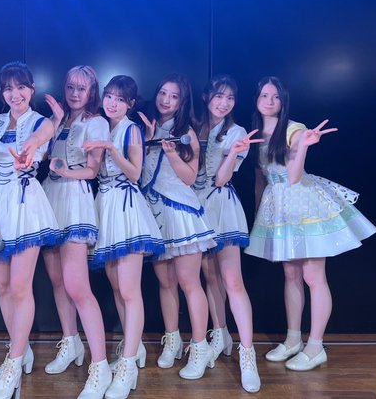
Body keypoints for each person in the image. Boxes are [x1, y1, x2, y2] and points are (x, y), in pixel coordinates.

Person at [245, 76, 376, 371]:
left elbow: (293, 177)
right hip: (277, 207)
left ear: (283, 101)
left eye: (275, 96)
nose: (269, 101)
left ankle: (315, 346)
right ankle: (293, 339)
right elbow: (260, 178)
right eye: (264, 95)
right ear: (256, 99)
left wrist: (304, 145)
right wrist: (259, 213)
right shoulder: (255, 133)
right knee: (290, 274)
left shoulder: (295, 129)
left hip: (304, 203)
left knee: (313, 277)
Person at [0, 61, 59, 399]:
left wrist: (29, 149)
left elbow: (41, 137)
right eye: (8, 88)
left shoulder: (41, 122)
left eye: (21, 87)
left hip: (25, 204)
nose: (14, 94)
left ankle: (13, 365)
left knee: (20, 287)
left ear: (31, 89)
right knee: (2, 286)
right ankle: (20, 350)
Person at [84, 75, 164, 399]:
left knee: (130, 290)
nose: (112, 103)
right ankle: (134, 347)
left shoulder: (130, 129)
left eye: (120, 98)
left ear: (130, 103)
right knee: (117, 286)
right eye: (109, 96)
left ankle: (128, 365)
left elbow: (134, 173)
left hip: (126, 207)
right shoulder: (102, 126)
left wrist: (110, 150)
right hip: (105, 206)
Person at [138, 74, 215, 381]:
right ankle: (173, 339)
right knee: (165, 281)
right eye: (162, 93)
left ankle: (199, 347)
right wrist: (147, 140)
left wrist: (171, 153)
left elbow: (190, 177)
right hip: (153, 211)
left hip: (180, 213)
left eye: (173, 96)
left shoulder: (187, 133)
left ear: (182, 102)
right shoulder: (147, 128)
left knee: (188, 282)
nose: (166, 100)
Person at [41, 65, 112, 398]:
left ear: (92, 91)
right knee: (57, 280)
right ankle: (70, 342)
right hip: (49, 197)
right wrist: (55, 122)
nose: (74, 93)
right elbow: (41, 153)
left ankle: (100, 366)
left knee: (77, 286)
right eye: (70, 86)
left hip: (74, 198)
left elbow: (93, 169)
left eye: (81, 88)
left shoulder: (96, 122)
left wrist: (66, 171)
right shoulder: (56, 118)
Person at [193, 75, 263, 392]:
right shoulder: (193, 127)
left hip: (221, 206)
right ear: (206, 96)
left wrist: (233, 152)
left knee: (232, 281)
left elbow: (221, 179)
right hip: (195, 207)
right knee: (209, 277)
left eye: (230, 98)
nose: (224, 103)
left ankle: (247, 354)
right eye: (219, 96)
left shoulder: (237, 132)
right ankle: (219, 334)